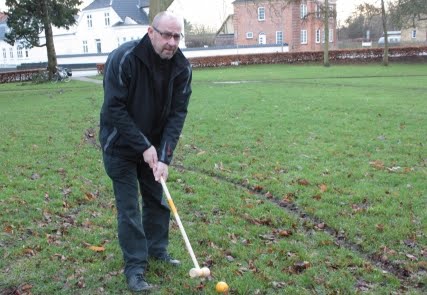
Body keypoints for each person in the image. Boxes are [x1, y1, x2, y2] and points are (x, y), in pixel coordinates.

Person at [99, 11, 192, 292]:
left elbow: (177, 115)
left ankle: (158, 251)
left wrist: (164, 156)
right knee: (129, 209)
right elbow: (114, 108)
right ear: (151, 32)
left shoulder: (182, 68)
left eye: (177, 36)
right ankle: (135, 268)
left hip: (153, 148)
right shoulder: (124, 58)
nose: (172, 42)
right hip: (120, 146)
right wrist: (143, 146)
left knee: (157, 201)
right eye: (166, 35)